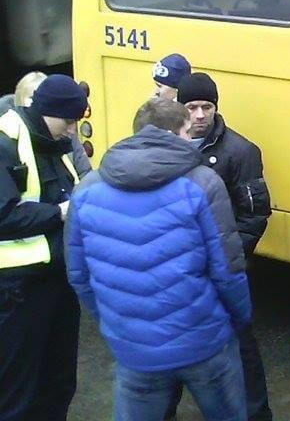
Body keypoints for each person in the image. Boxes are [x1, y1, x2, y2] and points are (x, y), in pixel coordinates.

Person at [65, 98, 250, 421]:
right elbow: (227, 269)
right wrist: (238, 320)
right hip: (204, 342)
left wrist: (117, 325)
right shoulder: (201, 184)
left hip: (135, 351)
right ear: (179, 132)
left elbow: (79, 275)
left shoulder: (87, 191)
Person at [167, 72, 272, 421]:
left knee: (240, 349)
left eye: (206, 107)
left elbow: (254, 215)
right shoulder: (167, 147)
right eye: (192, 107)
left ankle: (256, 414)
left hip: (223, 271)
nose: (199, 115)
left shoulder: (240, 152)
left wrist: (226, 261)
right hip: (179, 273)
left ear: (216, 107)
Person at [0, 74, 88, 421]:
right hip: (17, 289)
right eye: (68, 122)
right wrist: (60, 213)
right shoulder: (6, 140)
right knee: (18, 391)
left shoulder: (54, 142)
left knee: (58, 382)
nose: (72, 130)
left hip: (58, 282)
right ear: (49, 112)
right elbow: (4, 216)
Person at [1, 71, 91, 180]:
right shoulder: (6, 146)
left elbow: (84, 174)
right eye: (68, 121)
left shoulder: (57, 142)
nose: (72, 130)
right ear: (47, 111)